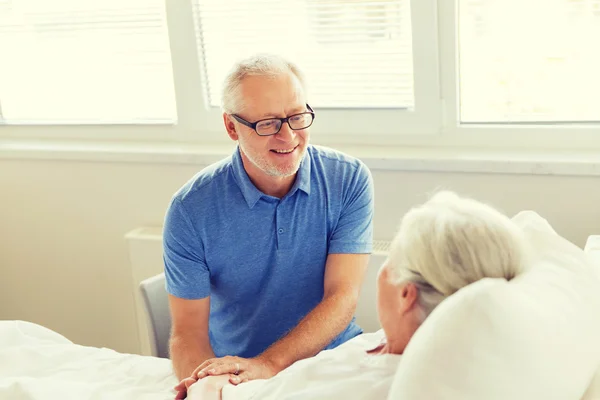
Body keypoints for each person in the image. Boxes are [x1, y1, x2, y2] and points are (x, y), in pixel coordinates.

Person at [163, 53, 375, 399]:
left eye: (296, 116)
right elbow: (187, 332)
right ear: (232, 127)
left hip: (332, 362)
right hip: (240, 376)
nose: (288, 136)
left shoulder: (348, 179)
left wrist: (270, 363)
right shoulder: (191, 210)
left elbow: (343, 296)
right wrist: (207, 384)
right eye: (268, 124)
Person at [183, 190, 531, 400]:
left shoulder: (374, 386)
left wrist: (208, 385)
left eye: (390, 257)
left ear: (407, 294)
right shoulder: (387, 343)